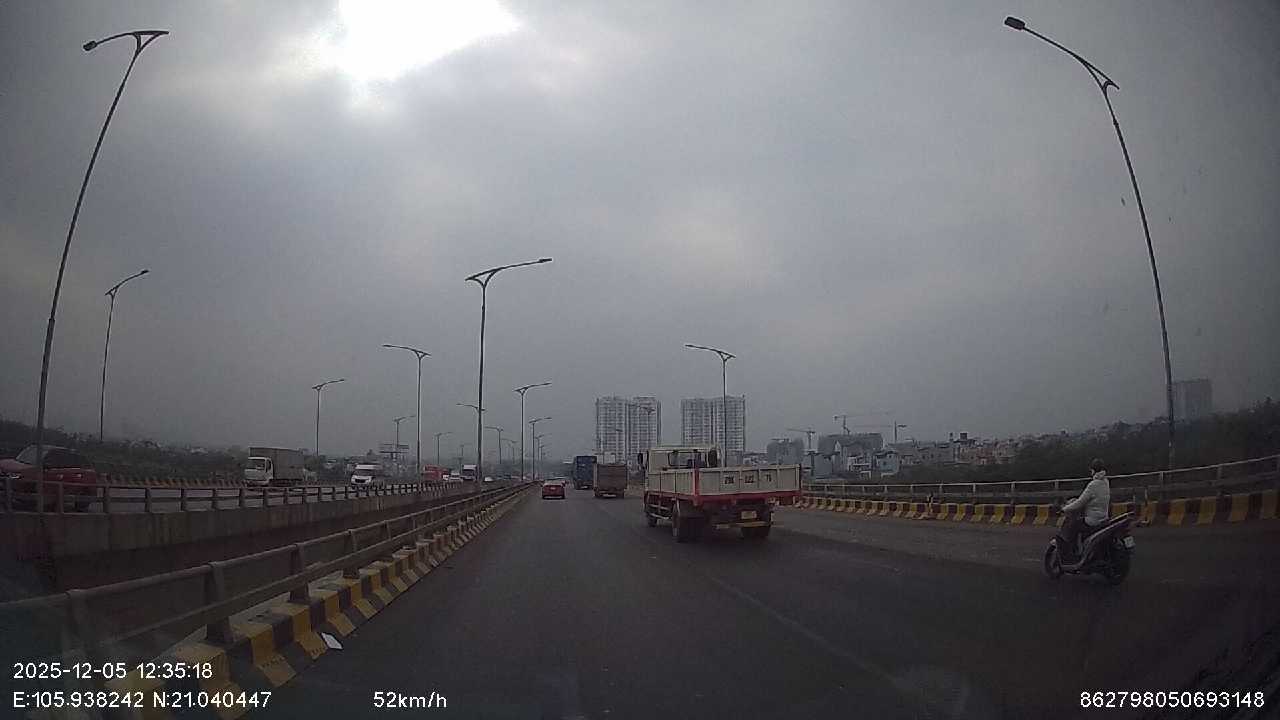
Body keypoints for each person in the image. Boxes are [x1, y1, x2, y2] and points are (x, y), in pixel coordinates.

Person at [1059, 458, 1111, 562]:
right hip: (1103, 518)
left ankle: (1073, 554)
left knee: (1072, 526)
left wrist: (1065, 509)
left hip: (1093, 520)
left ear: (1093, 470)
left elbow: (1080, 502)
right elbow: (1093, 499)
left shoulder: (1093, 484)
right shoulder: (1105, 482)